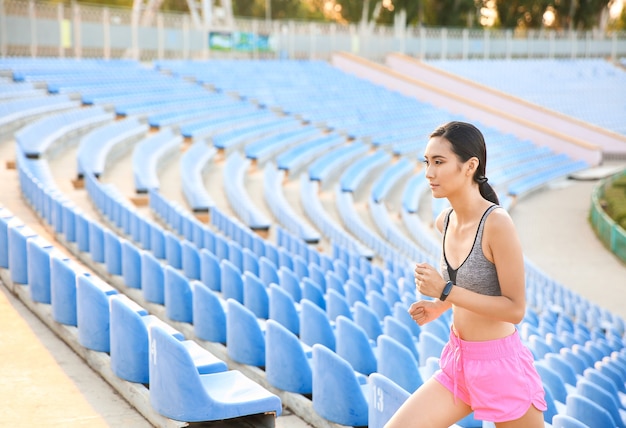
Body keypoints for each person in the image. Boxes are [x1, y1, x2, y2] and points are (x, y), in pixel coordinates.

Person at [385, 121, 547, 427]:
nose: (428, 173)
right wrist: (440, 306)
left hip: (501, 368)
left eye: (439, 162)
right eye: (427, 162)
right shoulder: (444, 221)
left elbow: (515, 309)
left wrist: (445, 292)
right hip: (457, 363)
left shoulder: (497, 224)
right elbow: (471, 285)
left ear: (470, 166)